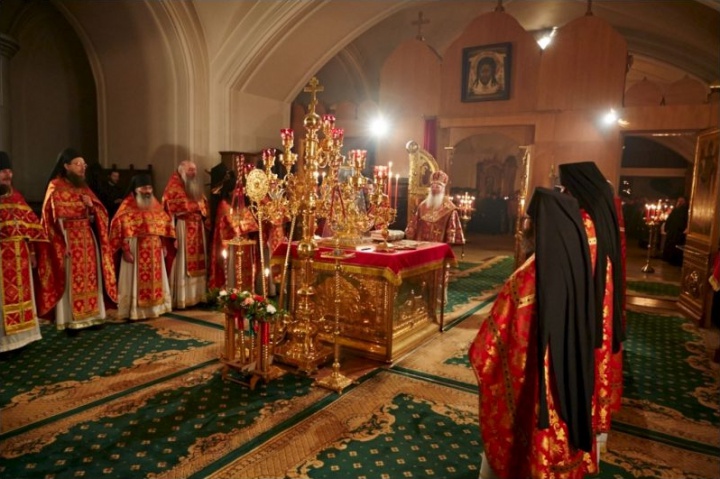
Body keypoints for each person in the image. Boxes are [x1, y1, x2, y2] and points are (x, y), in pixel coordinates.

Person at [469, 187, 598, 479]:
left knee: (528, 419)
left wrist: (481, 352)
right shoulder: (578, 263)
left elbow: (496, 335)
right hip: (572, 368)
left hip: (536, 371)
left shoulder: (529, 275)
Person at [559, 161, 626, 458]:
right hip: (602, 306)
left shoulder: (585, 222)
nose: (564, 193)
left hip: (586, 310)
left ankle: (581, 424)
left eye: (567, 188)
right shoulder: (602, 216)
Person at [35, 148, 118, 332]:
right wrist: (60, 244)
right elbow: (49, 220)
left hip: (87, 238)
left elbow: (100, 212)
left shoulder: (83, 186)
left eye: (84, 164)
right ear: (66, 166)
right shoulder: (55, 186)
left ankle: (93, 316)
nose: (82, 167)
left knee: (91, 277)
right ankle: (71, 320)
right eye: (78, 164)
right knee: (72, 279)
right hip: (67, 239)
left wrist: (92, 206)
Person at [110, 174, 176, 320]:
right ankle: (135, 311)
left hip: (155, 248)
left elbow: (163, 226)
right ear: (136, 189)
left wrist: (164, 245)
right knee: (134, 281)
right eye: (144, 188)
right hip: (135, 247)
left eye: (150, 188)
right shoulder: (127, 206)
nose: (147, 191)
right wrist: (125, 250)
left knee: (155, 280)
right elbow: (120, 229)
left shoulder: (155, 204)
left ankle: (155, 309)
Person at [0, 152, 48, 352]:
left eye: (9, 171)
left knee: (23, 296)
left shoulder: (17, 196)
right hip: (2, 257)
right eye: (3, 171)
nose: (8, 175)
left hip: (20, 255)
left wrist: (33, 253)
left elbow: (31, 228)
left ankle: (22, 338)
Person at [162, 160, 210, 308]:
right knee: (183, 261)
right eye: (190, 170)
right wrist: (172, 236)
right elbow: (169, 214)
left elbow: (204, 206)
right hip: (183, 227)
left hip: (198, 228)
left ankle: (198, 296)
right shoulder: (173, 188)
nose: (193, 173)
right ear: (182, 171)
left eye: (194, 170)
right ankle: (183, 298)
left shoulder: (194, 187)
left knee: (199, 262)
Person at [208, 163, 258, 290]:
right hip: (230, 246)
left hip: (244, 244)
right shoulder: (224, 206)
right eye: (237, 190)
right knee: (233, 273)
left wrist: (245, 227)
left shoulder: (240, 206)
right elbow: (231, 227)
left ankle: (245, 291)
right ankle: (232, 291)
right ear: (230, 192)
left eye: (241, 190)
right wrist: (243, 227)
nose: (240, 193)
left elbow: (252, 223)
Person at [404, 170, 465, 244]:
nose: (434, 189)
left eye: (437, 187)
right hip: (421, 244)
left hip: (439, 245)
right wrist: (410, 232)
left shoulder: (450, 208)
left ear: (443, 189)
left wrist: (449, 242)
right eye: (432, 186)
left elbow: (452, 228)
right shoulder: (422, 205)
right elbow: (414, 223)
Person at [662, 196, 688, 266]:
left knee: (676, 247)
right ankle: (668, 258)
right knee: (670, 245)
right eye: (679, 201)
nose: (680, 203)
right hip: (672, 230)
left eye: (681, 201)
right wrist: (667, 227)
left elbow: (684, 221)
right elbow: (670, 219)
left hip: (679, 232)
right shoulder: (675, 210)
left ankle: (675, 260)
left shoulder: (685, 211)